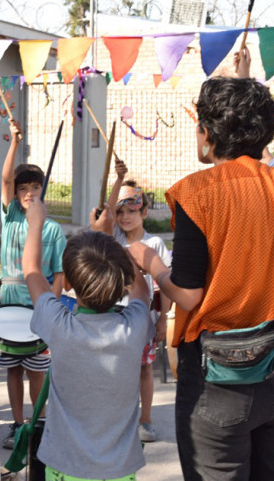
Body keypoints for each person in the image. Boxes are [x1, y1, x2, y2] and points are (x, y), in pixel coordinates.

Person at [129, 75, 274, 480]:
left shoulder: (197, 193)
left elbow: (188, 295)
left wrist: (150, 262)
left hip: (218, 380)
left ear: (207, 131)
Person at [24, 197, 153, 480]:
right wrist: (109, 239)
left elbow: (32, 270)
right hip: (120, 469)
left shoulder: (59, 326)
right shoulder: (134, 327)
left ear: (68, 284)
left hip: (64, 466)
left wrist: (36, 222)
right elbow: (141, 292)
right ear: (122, 277)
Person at [0, 117, 66, 449]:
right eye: (22, 189)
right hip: (8, 302)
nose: (27, 193)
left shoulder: (52, 230)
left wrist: (49, 310)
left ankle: (38, 425)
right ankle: (16, 423)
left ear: (42, 190)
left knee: (36, 371)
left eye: (34, 188)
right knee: (12, 369)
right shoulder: (9, 216)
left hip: (35, 307)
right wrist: (13, 141)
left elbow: (60, 276)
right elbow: (5, 177)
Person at [109, 178, 172, 443]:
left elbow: (165, 285)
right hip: (113, 316)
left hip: (143, 318)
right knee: (113, 370)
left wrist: (162, 321)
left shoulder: (154, 243)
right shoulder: (112, 240)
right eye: (120, 211)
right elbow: (106, 208)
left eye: (131, 210)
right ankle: (117, 421)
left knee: (144, 369)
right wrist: (117, 180)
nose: (125, 217)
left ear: (143, 212)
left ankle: (145, 420)